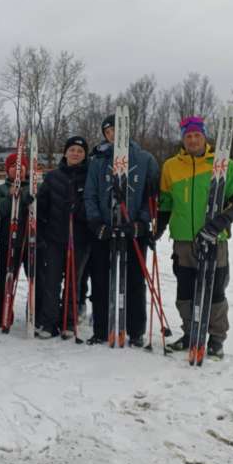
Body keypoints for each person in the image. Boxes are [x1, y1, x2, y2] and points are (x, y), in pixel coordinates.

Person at [156, 116, 233, 359]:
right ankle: (191, 333)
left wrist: (217, 225)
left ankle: (216, 339)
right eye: (188, 135)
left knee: (215, 291)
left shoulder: (224, 165)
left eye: (197, 135)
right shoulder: (170, 166)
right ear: (183, 138)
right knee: (185, 292)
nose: (193, 139)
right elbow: (166, 204)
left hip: (214, 240)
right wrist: (156, 230)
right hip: (183, 242)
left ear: (204, 136)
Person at [84, 115, 159, 346]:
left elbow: (153, 195)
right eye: (109, 132)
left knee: (135, 282)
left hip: (133, 230)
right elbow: (90, 194)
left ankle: (135, 331)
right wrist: (96, 223)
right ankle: (101, 329)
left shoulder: (145, 159)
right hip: (105, 230)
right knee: (100, 281)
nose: (113, 135)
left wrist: (142, 223)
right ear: (105, 135)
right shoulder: (97, 161)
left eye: (118, 130)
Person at [36, 136, 91, 338]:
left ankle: (68, 321)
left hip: (80, 239)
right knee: (51, 281)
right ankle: (49, 322)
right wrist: (42, 231)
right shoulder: (53, 177)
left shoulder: (89, 176)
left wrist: (81, 211)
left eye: (80, 151)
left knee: (73, 281)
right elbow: (41, 206)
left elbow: (93, 205)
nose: (75, 153)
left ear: (84, 155)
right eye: (72, 150)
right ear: (65, 152)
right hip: (55, 238)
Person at [0, 151, 34, 329]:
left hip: (29, 241)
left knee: (33, 278)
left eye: (21, 167)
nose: (17, 171)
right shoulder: (1, 189)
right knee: (4, 277)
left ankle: (33, 314)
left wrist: (28, 197)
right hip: (8, 240)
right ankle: (1, 313)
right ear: (7, 170)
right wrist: (11, 196)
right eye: (13, 167)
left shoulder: (32, 187)